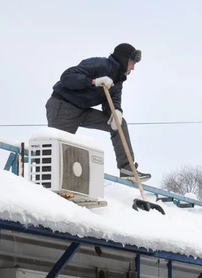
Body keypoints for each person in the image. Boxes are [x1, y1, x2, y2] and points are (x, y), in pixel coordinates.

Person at [46, 43, 150, 182]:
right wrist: (93, 81)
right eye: (132, 63)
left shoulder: (118, 80)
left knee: (119, 124)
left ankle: (127, 169)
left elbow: (112, 101)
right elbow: (67, 77)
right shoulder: (100, 64)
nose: (133, 68)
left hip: (83, 110)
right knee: (58, 150)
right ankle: (46, 184)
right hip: (64, 106)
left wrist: (116, 111)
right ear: (124, 59)